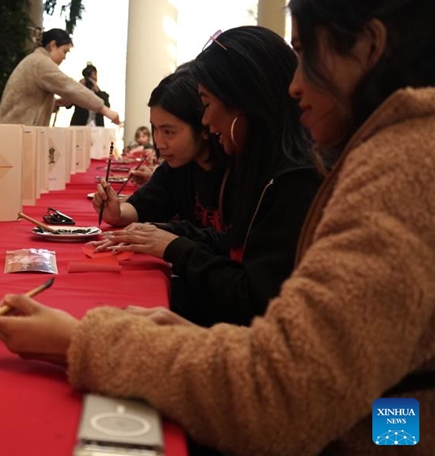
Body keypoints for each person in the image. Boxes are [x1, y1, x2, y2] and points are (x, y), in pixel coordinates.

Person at [0, 0, 435, 454]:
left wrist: (83, 343)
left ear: (368, 46)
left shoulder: (402, 169)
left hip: (387, 432)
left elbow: (283, 394)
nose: (295, 85)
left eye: (306, 53)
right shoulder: (374, 155)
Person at [99, 26, 321, 327]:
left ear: (243, 100)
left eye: (206, 104)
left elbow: (256, 302)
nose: (205, 120)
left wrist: (173, 246)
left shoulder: (293, 181)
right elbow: (232, 244)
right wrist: (162, 233)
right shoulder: (258, 167)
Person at [93, 67, 229, 235]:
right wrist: (116, 214)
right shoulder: (177, 167)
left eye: (169, 132)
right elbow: (145, 204)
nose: (159, 143)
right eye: (155, 129)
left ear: (204, 126)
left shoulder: (237, 172)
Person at [0, 29, 120, 126]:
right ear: (53, 45)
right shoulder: (41, 62)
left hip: (13, 130)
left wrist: (55, 103)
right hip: (15, 133)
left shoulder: (34, 60)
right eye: (64, 51)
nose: (64, 57)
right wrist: (104, 109)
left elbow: (29, 101)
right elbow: (70, 87)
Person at [69, 63, 110, 127]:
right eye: (90, 78)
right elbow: (67, 105)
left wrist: (97, 91)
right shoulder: (79, 93)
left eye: (95, 76)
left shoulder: (103, 95)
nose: (92, 80)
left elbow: (107, 107)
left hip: (97, 129)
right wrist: (77, 87)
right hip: (80, 127)